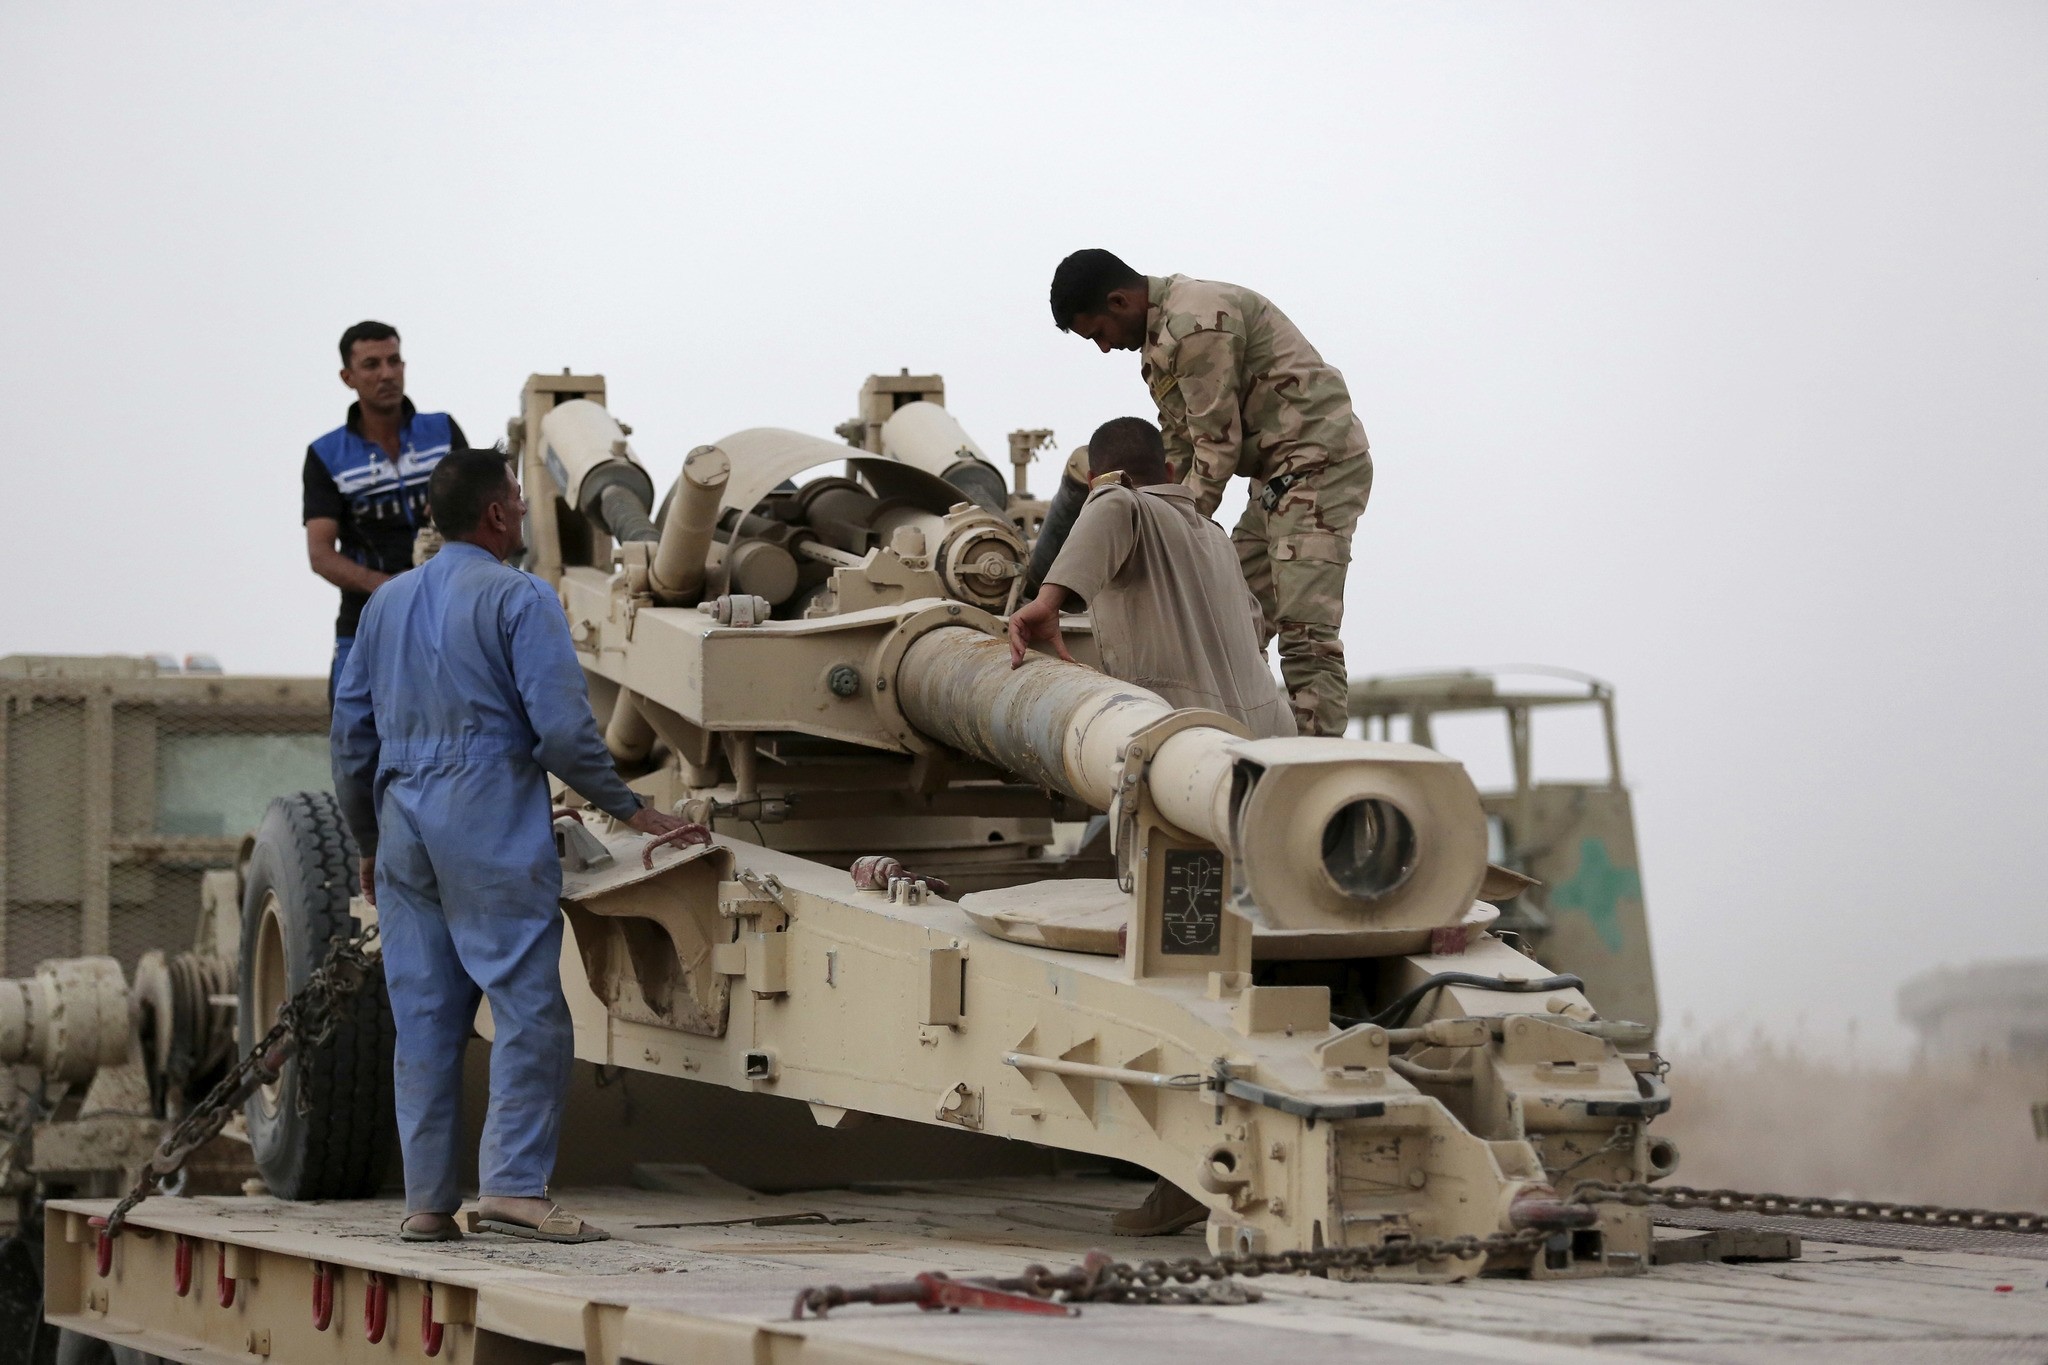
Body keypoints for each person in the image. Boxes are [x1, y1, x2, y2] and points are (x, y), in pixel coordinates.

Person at [331, 449, 698, 1244]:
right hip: (485, 808)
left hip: (402, 820)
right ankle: (512, 1188)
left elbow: (350, 738)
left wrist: (368, 837)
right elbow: (564, 732)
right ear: (498, 515)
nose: (527, 511)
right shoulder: (519, 597)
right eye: (520, 500)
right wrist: (631, 808)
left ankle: (427, 1203)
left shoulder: (384, 607)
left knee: (425, 1016)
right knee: (529, 1007)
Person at [1048, 250, 1373, 737]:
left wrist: (1167, 538)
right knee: (1233, 618)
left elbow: (1216, 450)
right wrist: (1162, 524)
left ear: (1119, 301)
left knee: (1305, 632)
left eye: (1098, 333)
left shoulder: (1195, 324)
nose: (1103, 348)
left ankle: (1313, 769)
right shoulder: (1160, 348)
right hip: (1276, 483)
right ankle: (1239, 746)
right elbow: (1176, 455)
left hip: (1318, 471)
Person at [1009, 417, 1295, 741]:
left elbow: (1113, 502)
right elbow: (1255, 630)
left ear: (1093, 482)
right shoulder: (1218, 539)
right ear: (1170, 473)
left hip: (1187, 733)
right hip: (1267, 733)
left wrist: (1047, 602)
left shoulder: (1122, 501)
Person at [305, 320, 467, 703]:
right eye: (372, 365)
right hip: (366, 625)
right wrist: (391, 589)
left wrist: (456, 505)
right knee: (357, 747)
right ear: (348, 377)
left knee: (465, 742)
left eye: (395, 361)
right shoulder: (326, 455)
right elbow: (321, 554)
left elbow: (490, 509)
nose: (387, 374)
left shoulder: (442, 432)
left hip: (449, 620)